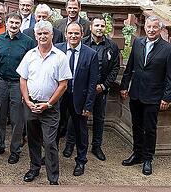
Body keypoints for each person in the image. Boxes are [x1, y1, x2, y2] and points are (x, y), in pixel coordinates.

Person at [18, 20, 72, 185]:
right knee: (32, 139)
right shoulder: (30, 55)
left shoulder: (60, 57)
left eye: (45, 33)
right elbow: (23, 79)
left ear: (52, 35)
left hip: (50, 108)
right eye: (39, 33)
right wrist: (27, 100)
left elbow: (63, 85)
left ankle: (53, 177)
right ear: (35, 35)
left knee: (49, 142)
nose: (42, 36)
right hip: (31, 106)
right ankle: (34, 168)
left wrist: (48, 104)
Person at [120, 15, 171, 176]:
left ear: (160, 29)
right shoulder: (138, 43)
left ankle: (148, 159)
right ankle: (137, 154)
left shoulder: (167, 49)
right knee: (136, 126)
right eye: (148, 27)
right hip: (135, 93)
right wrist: (123, 86)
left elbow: (170, 76)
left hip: (154, 96)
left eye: (154, 27)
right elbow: (130, 67)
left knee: (150, 129)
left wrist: (167, 97)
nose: (151, 30)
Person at [0, 12, 35, 165]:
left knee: (17, 119)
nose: (14, 25)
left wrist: (26, 91)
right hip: (1, 81)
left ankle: (15, 150)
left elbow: (31, 66)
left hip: (18, 84)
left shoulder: (28, 42)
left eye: (17, 23)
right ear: (6, 23)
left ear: (20, 24)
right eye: (11, 22)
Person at [55, 22, 98, 177]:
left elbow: (92, 82)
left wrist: (88, 105)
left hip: (79, 98)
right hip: (59, 97)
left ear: (82, 35)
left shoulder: (90, 54)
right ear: (66, 34)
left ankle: (81, 161)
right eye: (70, 33)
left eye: (76, 33)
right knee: (54, 128)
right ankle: (50, 156)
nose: (73, 36)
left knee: (81, 131)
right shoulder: (57, 49)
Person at [80, 17, 120, 161]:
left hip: (100, 90)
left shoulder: (112, 46)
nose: (99, 28)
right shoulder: (82, 42)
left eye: (102, 26)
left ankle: (96, 146)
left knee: (99, 118)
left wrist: (103, 86)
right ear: (90, 27)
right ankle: (73, 144)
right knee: (78, 118)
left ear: (105, 28)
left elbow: (115, 68)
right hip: (83, 89)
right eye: (96, 25)